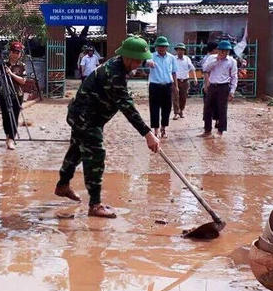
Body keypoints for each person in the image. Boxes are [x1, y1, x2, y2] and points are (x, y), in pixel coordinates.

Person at [54, 36, 160, 219]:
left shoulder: (120, 64)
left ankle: (63, 185)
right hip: (86, 119)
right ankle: (94, 205)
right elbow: (126, 106)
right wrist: (147, 133)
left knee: (76, 151)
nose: (139, 64)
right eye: (137, 61)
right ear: (128, 57)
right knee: (96, 156)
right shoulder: (114, 73)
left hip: (83, 115)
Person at [202, 40, 238, 136]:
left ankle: (220, 130)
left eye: (226, 51)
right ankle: (207, 130)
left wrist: (232, 91)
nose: (224, 53)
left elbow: (234, 76)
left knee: (222, 109)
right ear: (218, 50)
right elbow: (205, 68)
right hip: (212, 85)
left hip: (224, 86)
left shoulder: (231, 61)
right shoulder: (211, 58)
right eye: (222, 50)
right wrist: (216, 60)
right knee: (207, 108)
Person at [0, 40, 30, 149]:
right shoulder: (3, 64)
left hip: (17, 94)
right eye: (14, 52)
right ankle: (8, 136)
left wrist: (11, 74)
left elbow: (23, 81)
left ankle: (12, 138)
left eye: (18, 52)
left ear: (20, 54)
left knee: (14, 116)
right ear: (10, 52)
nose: (15, 55)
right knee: (5, 117)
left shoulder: (22, 65)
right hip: (4, 93)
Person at [146, 36, 177, 139]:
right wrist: (148, 63)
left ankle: (164, 128)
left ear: (166, 47)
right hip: (155, 86)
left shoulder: (171, 58)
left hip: (167, 85)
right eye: (159, 46)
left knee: (167, 108)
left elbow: (174, 72)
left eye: (163, 46)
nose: (161, 48)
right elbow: (146, 61)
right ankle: (156, 130)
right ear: (156, 47)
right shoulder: (151, 56)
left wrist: (175, 86)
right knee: (154, 108)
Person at [172, 43, 198, 118]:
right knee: (175, 96)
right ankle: (176, 113)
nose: (180, 51)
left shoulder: (187, 59)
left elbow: (192, 68)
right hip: (176, 80)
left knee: (183, 97)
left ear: (184, 51)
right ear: (176, 51)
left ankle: (181, 110)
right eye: (179, 50)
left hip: (185, 81)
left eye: (182, 50)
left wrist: (195, 78)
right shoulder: (173, 59)